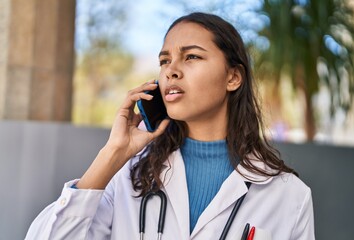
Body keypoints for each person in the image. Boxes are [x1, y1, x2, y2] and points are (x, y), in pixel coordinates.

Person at [25, 12, 314, 240]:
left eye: (191, 56)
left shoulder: (289, 195)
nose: (171, 70)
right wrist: (112, 153)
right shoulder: (128, 176)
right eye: (165, 60)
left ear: (233, 77)